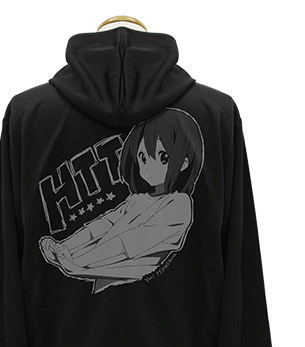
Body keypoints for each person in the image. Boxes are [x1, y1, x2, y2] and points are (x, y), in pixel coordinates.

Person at [40, 107, 204, 293]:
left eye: (163, 157)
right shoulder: (138, 200)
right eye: (142, 157)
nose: (148, 166)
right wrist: (65, 246)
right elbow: (103, 225)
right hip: (104, 277)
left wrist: (77, 261)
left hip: (131, 276)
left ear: (184, 163)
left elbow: (130, 243)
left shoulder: (179, 204)